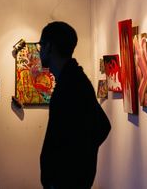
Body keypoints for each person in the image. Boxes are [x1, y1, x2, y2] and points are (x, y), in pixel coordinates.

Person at [39, 21, 111, 189]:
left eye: (41, 45)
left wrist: (72, 167)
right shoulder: (73, 80)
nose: (40, 50)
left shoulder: (71, 85)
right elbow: (100, 126)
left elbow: (102, 126)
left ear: (49, 47)